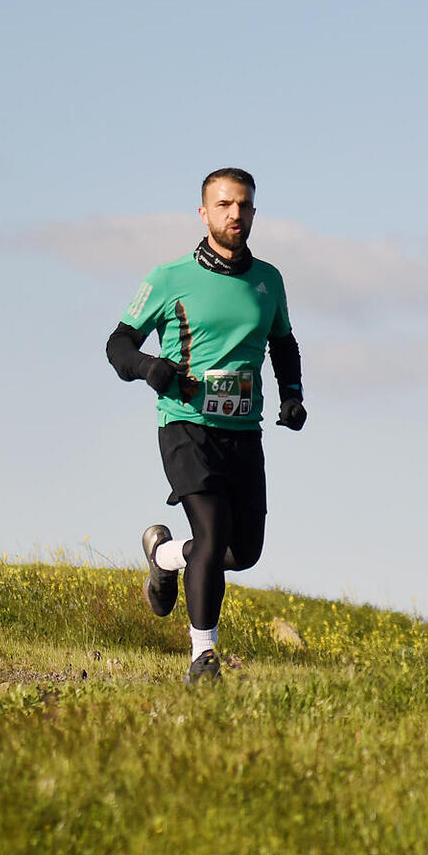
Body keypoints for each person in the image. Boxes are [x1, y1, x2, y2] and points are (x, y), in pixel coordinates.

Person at [106, 168, 305, 683]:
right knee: (212, 537)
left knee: (244, 553)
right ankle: (203, 657)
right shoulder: (169, 278)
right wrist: (149, 367)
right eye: (223, 205)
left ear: (254, 212)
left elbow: (283, 344)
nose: (234, 214)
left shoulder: (269, 281)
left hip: (243, 431)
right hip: (185, 424)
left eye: (243, 206)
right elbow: (118, 344)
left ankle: (165, 555)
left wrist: (292, 397)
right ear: (203, 212)